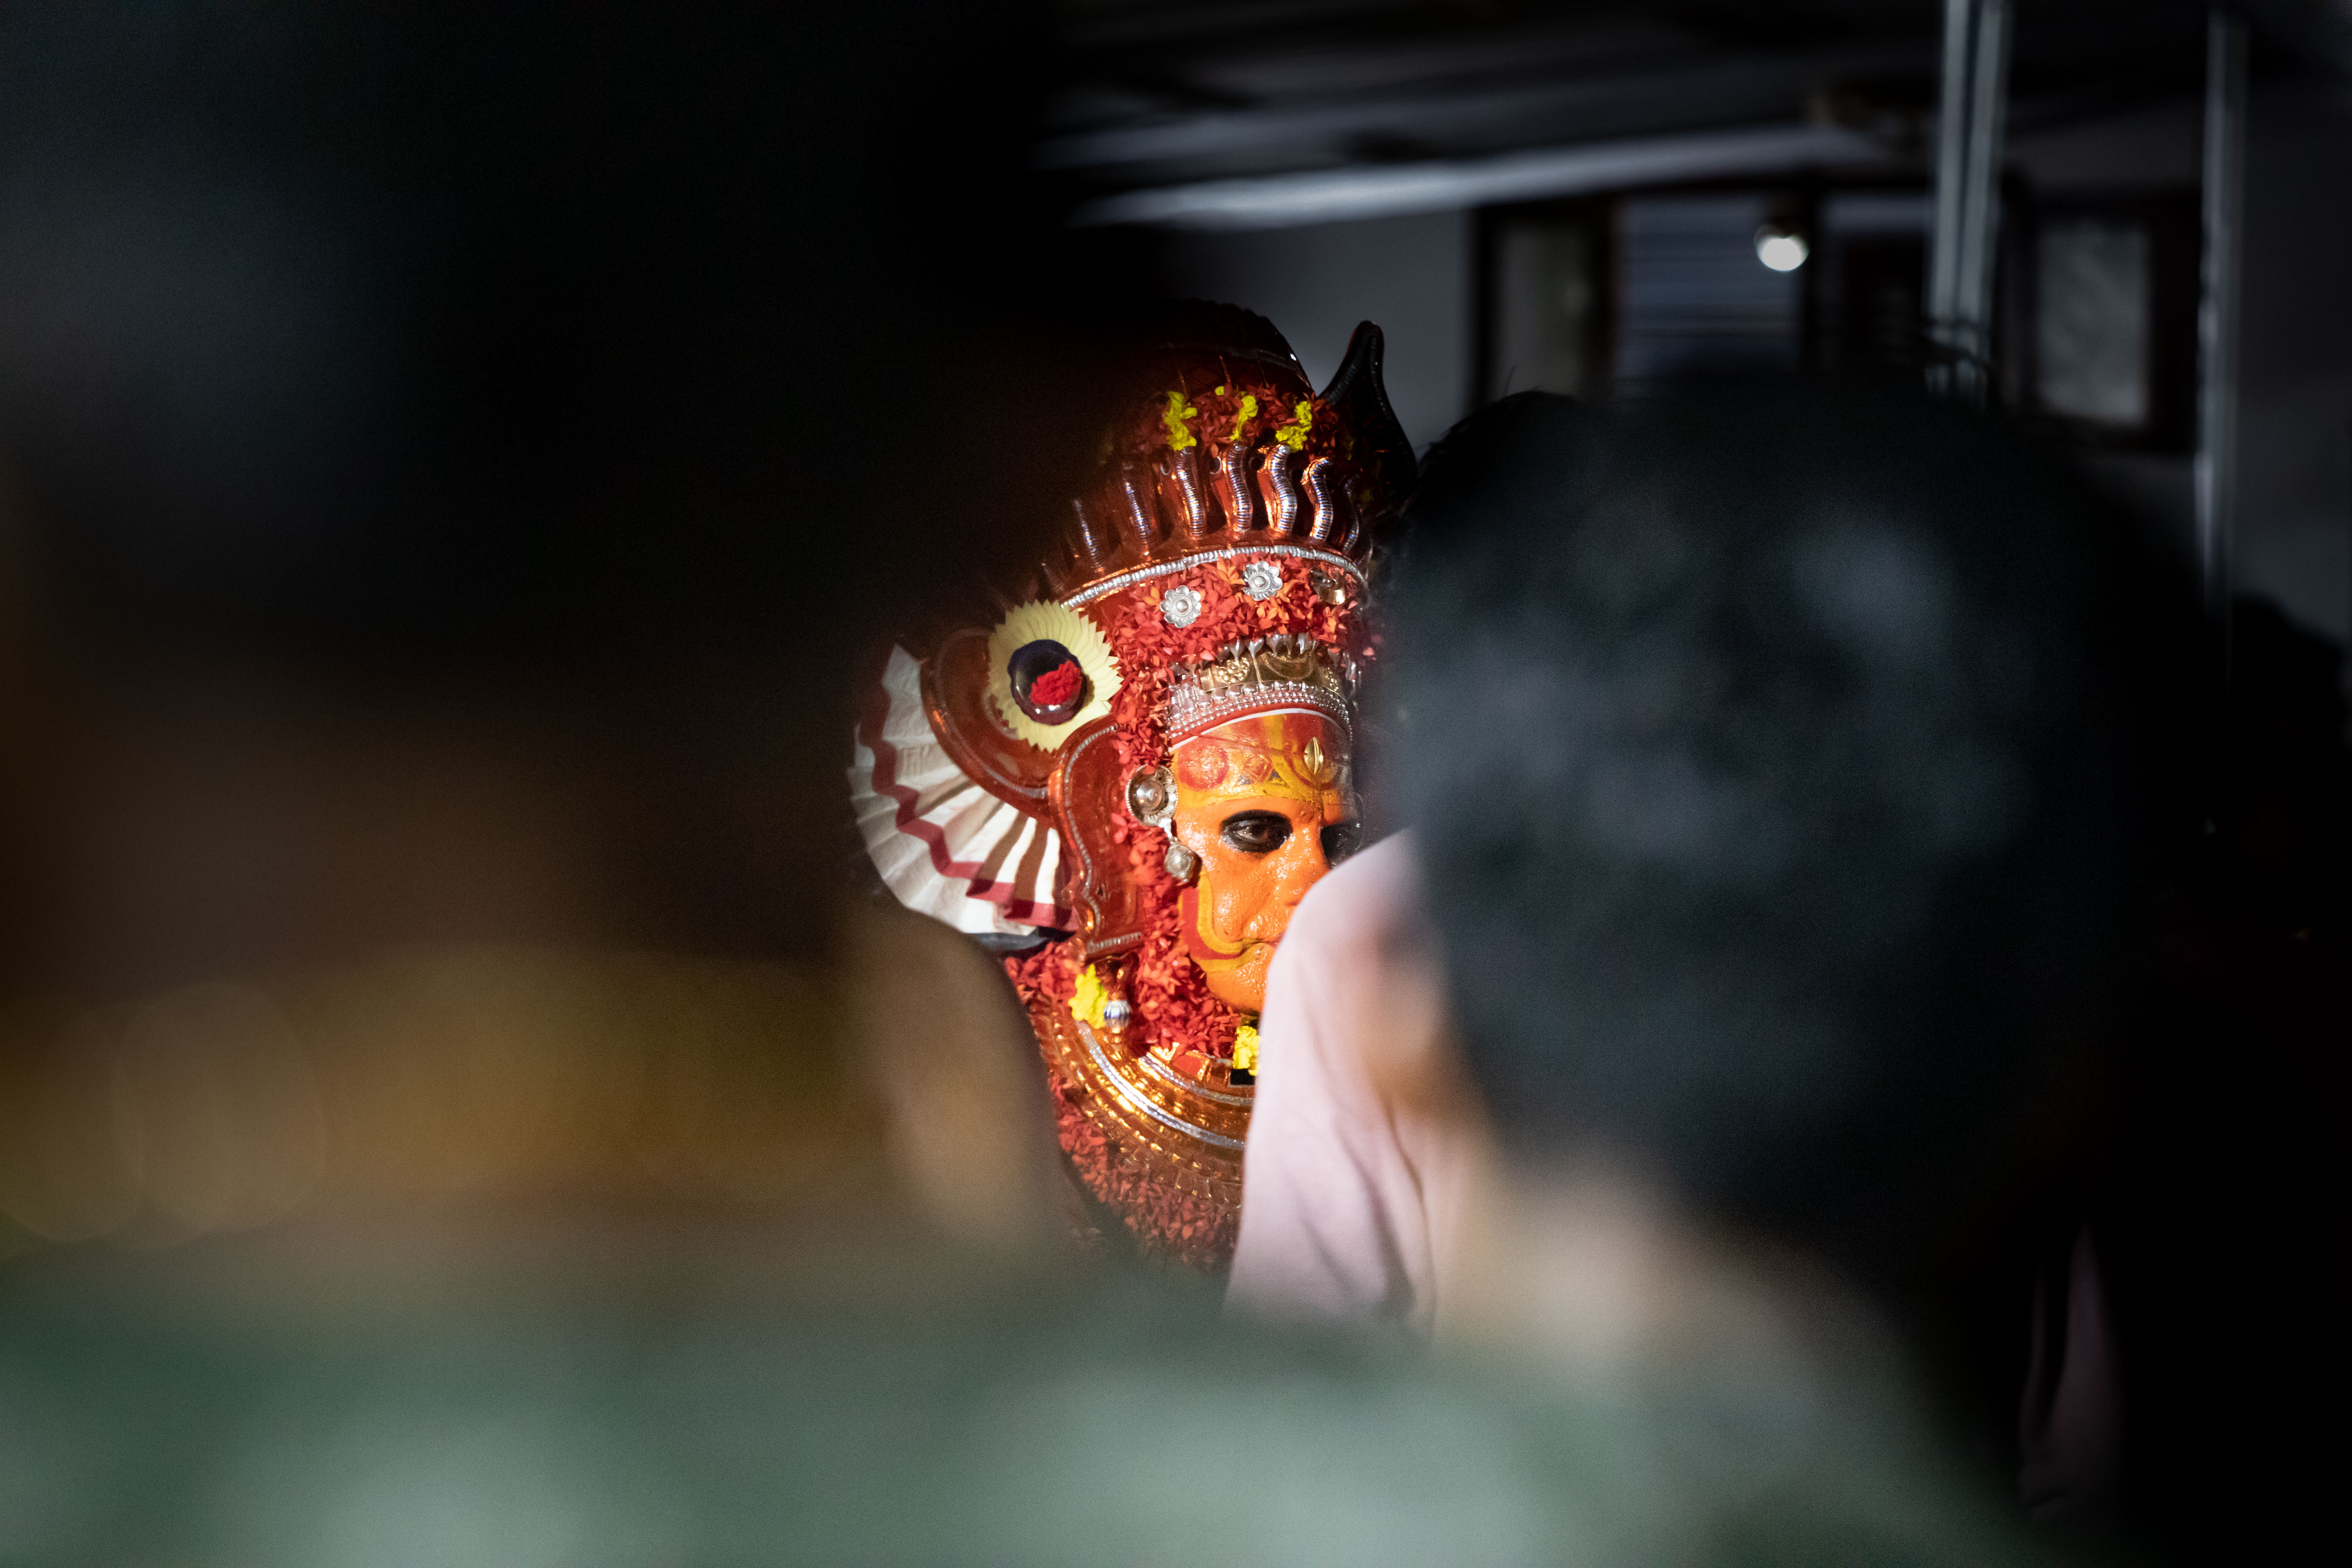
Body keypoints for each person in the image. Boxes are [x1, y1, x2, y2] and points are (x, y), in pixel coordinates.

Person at [849, 303, 1417, 1268]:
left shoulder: (1395, 1028)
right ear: (1131, 818)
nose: (1313, 887)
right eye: (1255, 831)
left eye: (1338, 838)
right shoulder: (981, 1044)